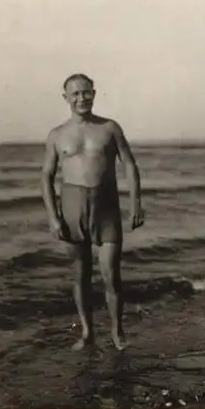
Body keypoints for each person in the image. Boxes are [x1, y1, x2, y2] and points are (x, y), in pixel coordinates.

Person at [42, 74, 144, 351]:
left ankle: (117, 331)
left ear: (94, 94)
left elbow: (130, 166)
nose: (81, 98)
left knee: (111, 274)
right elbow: (46, 177)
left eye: (86, 93)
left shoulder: (109, 128)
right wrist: (53, 217)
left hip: (106, 208)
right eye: (74, 94)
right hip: (72, 210)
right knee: (80, 276)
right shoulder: (57, 135)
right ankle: (87, 332)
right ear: (66, 98)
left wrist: (136, 203)